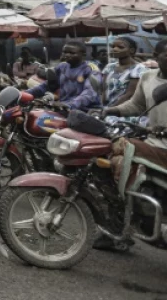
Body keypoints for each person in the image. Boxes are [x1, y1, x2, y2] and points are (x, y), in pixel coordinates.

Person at [100, 39, 167, 251]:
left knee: (124, 148)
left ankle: (121, 230)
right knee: (108, 158)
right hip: (153, 143)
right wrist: (112, 111)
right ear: (156, 56)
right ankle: (123, 224)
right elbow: (136, 105)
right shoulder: (147, 77)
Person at [26, 41, 100, 111]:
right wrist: (25, 94)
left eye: (72, 53)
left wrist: (70, 104)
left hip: (87, 111)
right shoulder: (62, 67)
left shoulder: (91, 69)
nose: (67, 55)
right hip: (64, 108)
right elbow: (47, 85)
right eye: (65, 52)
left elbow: (90, 93)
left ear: (83, 55)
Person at [102, 37, 147, 107]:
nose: (115, 49)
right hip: (106, 107)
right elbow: (103, 89)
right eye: (113, 46)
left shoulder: (139, 69)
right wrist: (102, 106)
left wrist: (111, 109)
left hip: (126, 109)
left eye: (120, 47)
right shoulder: (109, 67)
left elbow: (130, 94)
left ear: (131, 50)